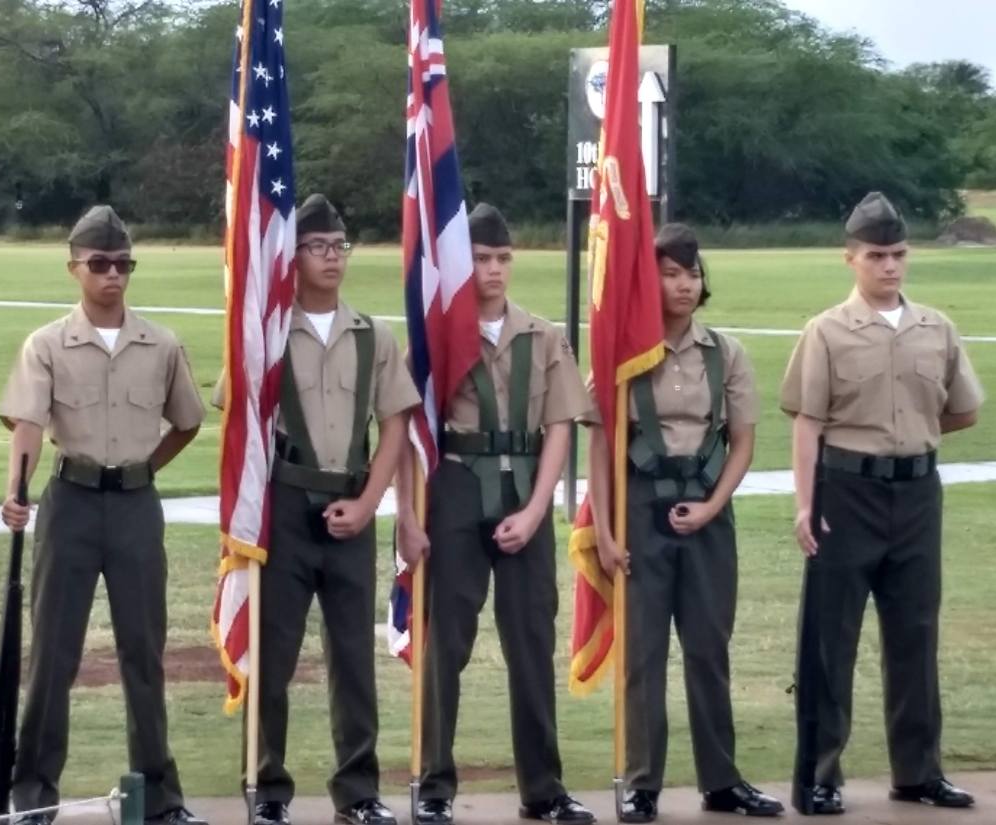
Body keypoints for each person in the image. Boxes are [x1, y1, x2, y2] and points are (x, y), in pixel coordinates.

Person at [0, 205, 208, 825]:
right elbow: (29, 424)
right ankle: (35, 795)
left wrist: (143, 468)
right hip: (72, 505)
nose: (112, 274)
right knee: (53, 656)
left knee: (144, 654)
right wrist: (18, 489)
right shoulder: (47, 345)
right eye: (99, 263)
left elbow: (188, 422)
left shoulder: (161, 343)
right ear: (74, 268)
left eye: (123, 263)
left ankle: (160, 798)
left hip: (137, 507)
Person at [780, 192, 984, 815]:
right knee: (828, 641)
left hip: (917, 494)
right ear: (851, 259)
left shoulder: (936, 328)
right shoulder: (827, 331)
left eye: (897, 254)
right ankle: (818, 776)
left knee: (916, 637)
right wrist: (805, 502)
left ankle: (918, 772)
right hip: (847, 493)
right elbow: (807, 423)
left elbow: (964, 408)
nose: (889, 266)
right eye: (876, 255)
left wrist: (903, 442)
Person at [396, 203, 596, 825]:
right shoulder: (437, 335)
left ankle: (544, 789)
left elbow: (561, 424)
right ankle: (434, 786)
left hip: (524, 490)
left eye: (503, 259)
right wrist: (407, 514)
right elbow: (407, 430)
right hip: (455, 487)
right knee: (445, 644)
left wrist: (538, 509)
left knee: (531, 642)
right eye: (481, 259)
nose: (494, 270)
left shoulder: (543, 336)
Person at [227, 194, 421, 825]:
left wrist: (370, 504)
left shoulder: (373, 336)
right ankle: (268, 789)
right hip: (285, 505)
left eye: (339, 246)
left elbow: (395, 424)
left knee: (352, 659)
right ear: (293, 255)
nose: (331, 258)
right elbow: (237, 417)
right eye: (317, 246)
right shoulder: (269, 333)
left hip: (351, 504)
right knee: (274, 655)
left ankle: (359, 791)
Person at [589, 224, 784, 823]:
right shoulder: (622, 353)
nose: (682, 284)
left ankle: (720, 781)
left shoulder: (724, 353)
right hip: (640, 509)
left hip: (705, 509)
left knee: (708, 649)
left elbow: (744, 442)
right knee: (643, 654)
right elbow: (599, 446)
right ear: (647, 281)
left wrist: (712, 506)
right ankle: (643, 782)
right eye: (669, 273)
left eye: (691, 274)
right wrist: (603, 530)